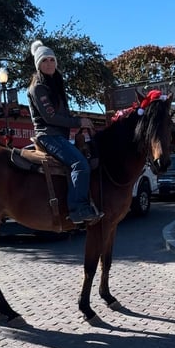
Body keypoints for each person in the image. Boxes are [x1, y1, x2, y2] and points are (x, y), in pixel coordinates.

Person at [27, 40, 104, 225]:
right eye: (44, 60)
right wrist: (78, 121)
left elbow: (62, 114)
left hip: (60, 136)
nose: (49, 63)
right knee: (80, 164)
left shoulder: (55, 85)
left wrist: (79, 119)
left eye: (52, 59)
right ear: (38, 65)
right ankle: (78, 209)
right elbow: (50, 118)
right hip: (48, 135)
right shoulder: (38, 88)